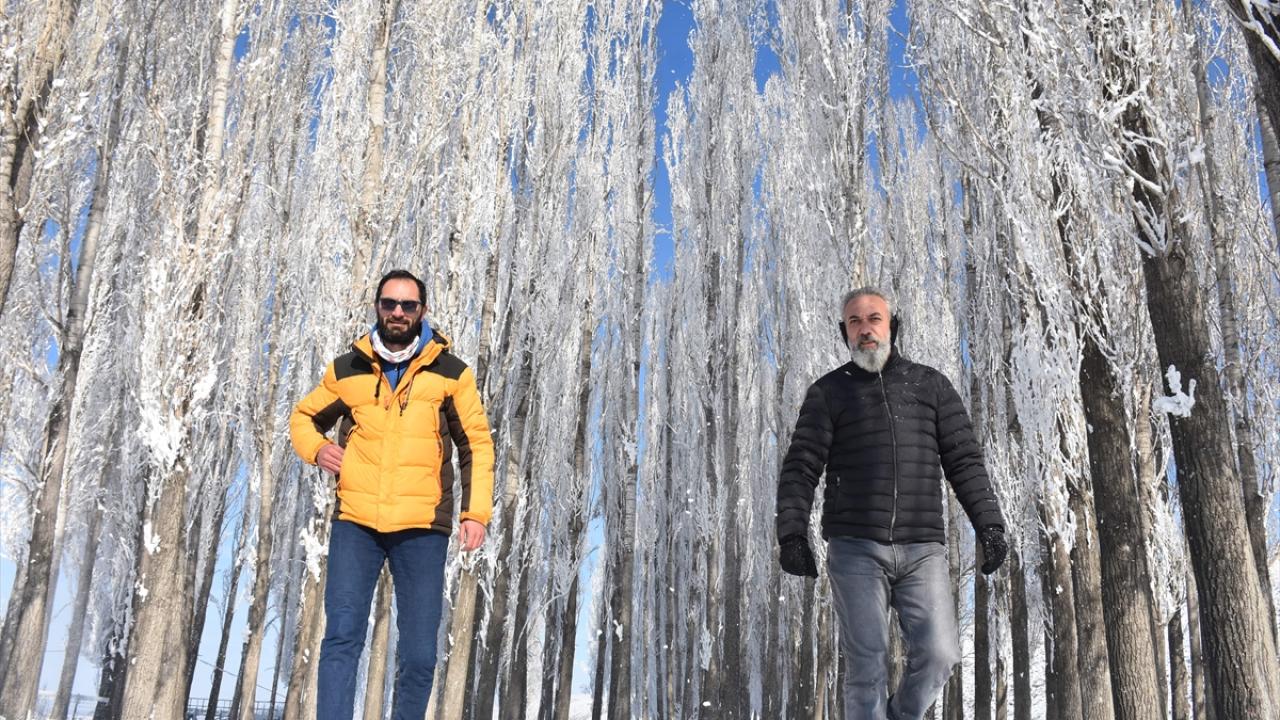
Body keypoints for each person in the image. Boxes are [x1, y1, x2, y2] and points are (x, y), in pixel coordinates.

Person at [776, 287, 1007, 720]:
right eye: (854, 322)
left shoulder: (931, 386)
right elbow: (801, 467)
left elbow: (964, 460)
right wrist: (792, 533)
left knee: (941, 653)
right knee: (866, 666)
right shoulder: (828, 393)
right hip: (854, 547)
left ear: (891, 325)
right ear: (844, 332)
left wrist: (989, 525)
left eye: (873, 319)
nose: (865, 330)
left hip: (923, 549)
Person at [289, 269, 494, 720]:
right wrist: (318, 449)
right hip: (357, 522)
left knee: (420, 652)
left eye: (408, 305)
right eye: (389, 304)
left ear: (422, 311)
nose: (397, 312)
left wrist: (475, 513)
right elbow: (303, 418)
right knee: (342, 636)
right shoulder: (347, 370)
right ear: (377, 307)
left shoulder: (452, 374)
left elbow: (475, 444)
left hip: (423, 526)